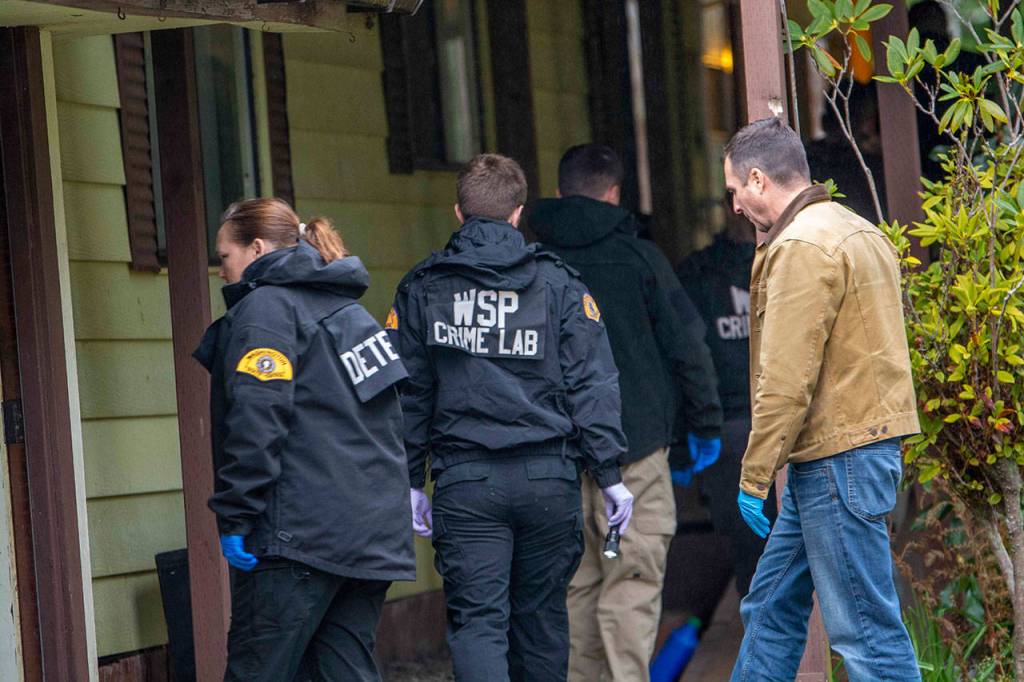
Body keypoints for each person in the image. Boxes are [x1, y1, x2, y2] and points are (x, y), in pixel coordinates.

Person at [389, 154, 634, 682]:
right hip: (548, 480)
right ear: (518, 213)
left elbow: (407, 394)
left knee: (478, 624)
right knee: (542, 622)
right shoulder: (560, 284)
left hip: (466, 482)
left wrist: (410, 480)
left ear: (459, 212)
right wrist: (610, 474)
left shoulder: (424, 287)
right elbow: (592, 384)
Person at [723, 118, 920, 681]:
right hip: (845, 455)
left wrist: (754, 476)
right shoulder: (855, 229)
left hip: (839, 461)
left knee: (865, 635)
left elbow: (786, 381)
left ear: (758, 180)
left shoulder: (801, 246)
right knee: (770, 607)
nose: (734, 205)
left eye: (735, 190)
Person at [193, 198, 415, 682]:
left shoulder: (265, 310)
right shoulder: (351, 314)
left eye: (224, 258)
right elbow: (391, 419)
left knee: (258, 670)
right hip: (368, 536)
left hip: (298, 539)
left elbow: (257, 419)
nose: (222, 272)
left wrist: (237, 513)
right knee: (344, 672)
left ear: (254, 249)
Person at [530, 144, 723, 682]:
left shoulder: (532, 264)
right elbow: (689, 349)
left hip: (558, 458)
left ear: (561, 190)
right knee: (630, 588)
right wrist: (702, 427)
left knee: (575, 590)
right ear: (614, 194)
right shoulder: (641, 259)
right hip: (634, 453)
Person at [677, 208, 776, 598]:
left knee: (749, 551)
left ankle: (764, 641)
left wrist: (695, 427)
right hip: (767, 422)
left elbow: (686, 357)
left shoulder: (696, 274)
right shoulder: (786, 264)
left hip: (727, 427)